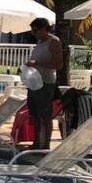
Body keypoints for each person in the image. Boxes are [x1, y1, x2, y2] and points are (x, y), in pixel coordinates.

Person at [26, 17, 62, 150]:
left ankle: (45, 145)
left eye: (35, 30)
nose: (33, 33)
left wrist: (37, 64)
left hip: (46, 84)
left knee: (45, 116)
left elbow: (59, 65)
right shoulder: (39, 43)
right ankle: (36, 143)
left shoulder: (53, 42)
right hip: (34, 83)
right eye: (32, 31)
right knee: (35, 115)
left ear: (43, 29)